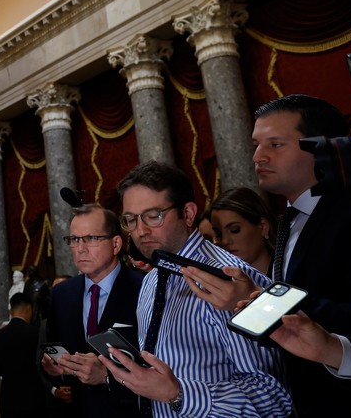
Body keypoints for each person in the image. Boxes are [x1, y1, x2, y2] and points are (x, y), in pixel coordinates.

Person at [183, 95, 351, 414]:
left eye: (275, 144)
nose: (258, 156)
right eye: (256, 144)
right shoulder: (289, 222)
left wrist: (262, 298)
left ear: (321, 149)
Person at [100, 161, 290, 417]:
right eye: (131, 220)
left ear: (188, 214)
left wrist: (178, 394)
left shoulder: (231, 280)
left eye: (153, 215)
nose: (140, 231)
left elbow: (275, 398)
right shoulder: (151, 280)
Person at [41, 204, 142, 418]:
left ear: (116, 244)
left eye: (91, 238)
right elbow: (52, 346)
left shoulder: (143, 289)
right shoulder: (62, 294)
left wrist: (107, 376)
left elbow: (164, 365)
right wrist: (53, 368)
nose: (81, 248)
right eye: (74, 239)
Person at [0, 292, 47, 418]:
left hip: (8, 398)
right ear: (29, 308)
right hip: (34, 397)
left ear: (11, 311)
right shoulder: (36, 333)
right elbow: (42, 366)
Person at [208, 187, 275, 273]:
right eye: (219, 234)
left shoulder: (290, 274)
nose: (225, 241)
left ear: (263, 226)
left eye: (234, 230)